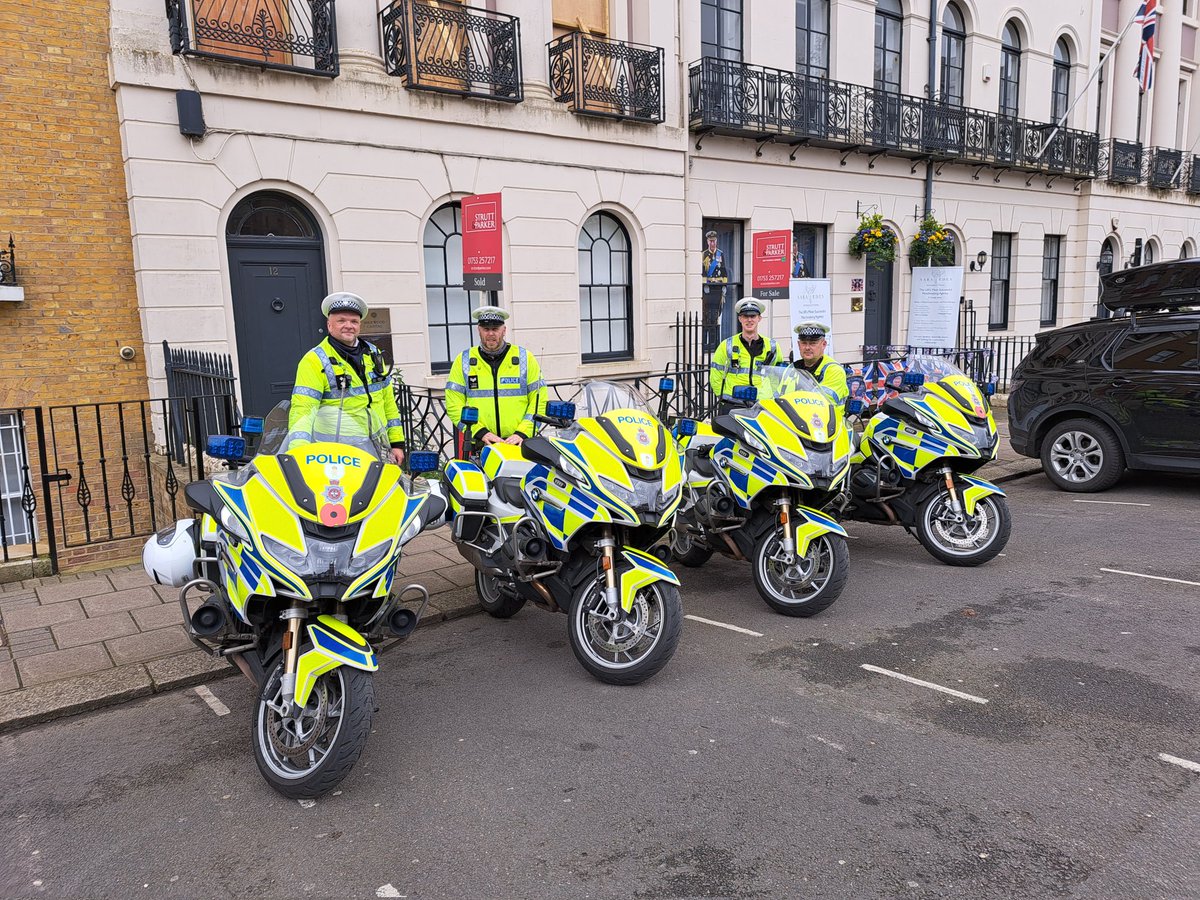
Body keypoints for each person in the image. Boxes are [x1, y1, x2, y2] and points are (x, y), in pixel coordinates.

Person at [289, 292, 405, 466]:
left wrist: (396, 443)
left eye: (354, 321)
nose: (348, 326)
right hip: (335, 452)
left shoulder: (374, 354)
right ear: (329, 325)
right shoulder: (314, 360)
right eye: (341, 321)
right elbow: (303, 409)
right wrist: (298, 451)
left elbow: (388, 402)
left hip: (377, 447)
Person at [445, 306, 546, 453]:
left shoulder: (525, 358)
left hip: (520, 444)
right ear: (478, 330)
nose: (491, 333)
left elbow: (539, 401)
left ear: (504, 330)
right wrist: (480, 432)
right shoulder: (464, 360)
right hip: (481, 444)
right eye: (486, 329)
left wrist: (522, 432)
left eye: (495, 329)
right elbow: (453, 404)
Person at [709, 297, 784, 415]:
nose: (749, 320)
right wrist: (723, 397)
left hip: (762, 405)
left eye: (753, 316)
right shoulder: (727, 345)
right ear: (740, 319)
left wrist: (773, 397)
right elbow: (715, 375)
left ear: (759, 318)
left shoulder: (772, 346)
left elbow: (778, 376)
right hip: (733, 404)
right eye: (745, 316)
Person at [792, 321, 849, 405]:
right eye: (804, 343)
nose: (807, 347)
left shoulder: (834, 370)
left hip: (826, 417)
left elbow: (823, 402)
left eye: (813, 343)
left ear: (824, 344)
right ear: (798, 344)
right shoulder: (792, 369)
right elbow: (778, 397)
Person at [701, 230, 728, 352]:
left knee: (716, 315)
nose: (712, 243)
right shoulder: (704, 255)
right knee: (707, 316)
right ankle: (706, 343)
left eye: (714, 241)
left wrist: (724, 286)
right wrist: (705, 283)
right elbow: (702, 272)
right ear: (707, 242)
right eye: (710, 241)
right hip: (708, 290)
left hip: (717, 290)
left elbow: (724, 271)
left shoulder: (720, 254)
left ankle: (715, 342)